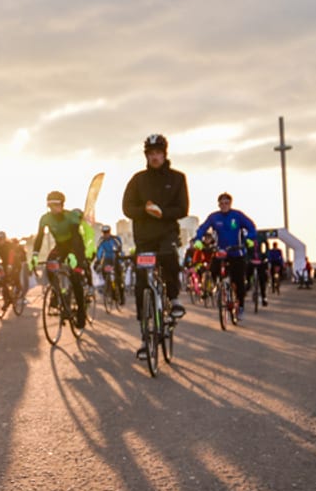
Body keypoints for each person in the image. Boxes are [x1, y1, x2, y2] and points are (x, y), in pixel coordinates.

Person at [120, 133, 189, 355]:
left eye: (158, 153)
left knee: (169, 257)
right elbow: (127, 208)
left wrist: (162, 213)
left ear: (164, 154)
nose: (155, 157)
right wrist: (145, 211)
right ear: (147, 156)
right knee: (142, 285)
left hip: (167, 233)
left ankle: (174, 299)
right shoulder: (138, 180)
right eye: (151, 154)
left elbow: (183, 209)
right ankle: (144, 336)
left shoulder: (177, 178)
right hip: (144, 238)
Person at [31, 190, 90, 326]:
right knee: (49, 267)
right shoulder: (45, 218)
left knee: (75, 278)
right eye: (50, 206)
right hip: (60, 246)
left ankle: (81, 312)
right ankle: (59, 295)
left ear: (62, 205)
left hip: (75, 246)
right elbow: (39, 237)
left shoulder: (71, 216)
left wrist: (73, 254)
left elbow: (75, 237)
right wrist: (35, 254)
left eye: (56, 205)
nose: (53, 209)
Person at [192, 191, 258, 313]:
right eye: (221, 203)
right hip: (220, 252)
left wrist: (250, 238)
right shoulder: (214, 217)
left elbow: (251, 226)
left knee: (239, 281)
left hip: (236, 252)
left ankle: (241, 305)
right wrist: (198, 240)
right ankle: (219, 288)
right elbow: (202, 228)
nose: (224, 205)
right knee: (211, 271)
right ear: (218, 205)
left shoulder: (237, 215)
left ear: (230, 203)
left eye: (226, 203)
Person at [0, 230, 27, 309]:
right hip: (5, 264)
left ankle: (18, 289)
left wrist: (10, 265)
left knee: (15, 278)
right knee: (4, 283)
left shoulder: (9, 244)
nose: (1, 241)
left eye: (2, 239)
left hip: (15, 263)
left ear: (5, 238)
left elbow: (11, 255)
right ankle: (7, 301)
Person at [93, 224, 125, 306]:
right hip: (107, 259)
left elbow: (120, 248)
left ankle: (121, 296)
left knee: (118, 277)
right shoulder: (101, 240)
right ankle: (109, 288)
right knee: (104, 271)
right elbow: (99, 251)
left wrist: (121, 258)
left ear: (110, 232)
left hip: (116, 257)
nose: (106, 234)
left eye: (107, 232)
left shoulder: (116, 239)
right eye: (104, 233)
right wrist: (98, 260)